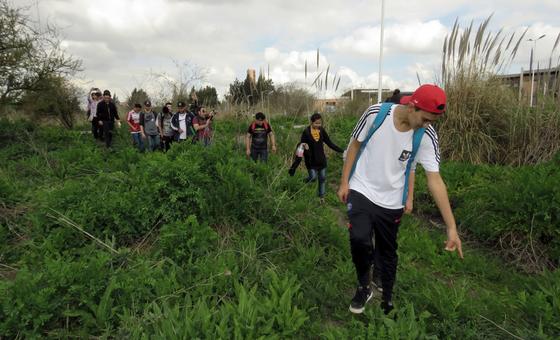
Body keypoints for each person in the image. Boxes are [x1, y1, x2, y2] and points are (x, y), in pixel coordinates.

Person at [337, 84, 463, 315]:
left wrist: (451, 227)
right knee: (359, 238)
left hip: (392, 200)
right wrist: (345, 182)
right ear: (412, 106)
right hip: (362, 188)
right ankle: (364, 287)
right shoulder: (377, 113)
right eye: (425, 119)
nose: (427, 125)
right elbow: (354, 145)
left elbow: (435, 181)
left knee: (387, 252)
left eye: (432, 122)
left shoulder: (426, 135)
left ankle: (387, 298)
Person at [289, 112, 343, 203]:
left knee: (322, 178)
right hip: (311, 161)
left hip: (321, 160)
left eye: (320, 123)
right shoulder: (306, 132)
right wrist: (294, 166)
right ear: (311, 122)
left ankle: (321, 197)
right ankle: (303, 182)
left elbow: (329, 143)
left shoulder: (321, 131)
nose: (318, 125)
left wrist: (341, 150)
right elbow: (300, 147)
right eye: (316, 123)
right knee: (313, 178)